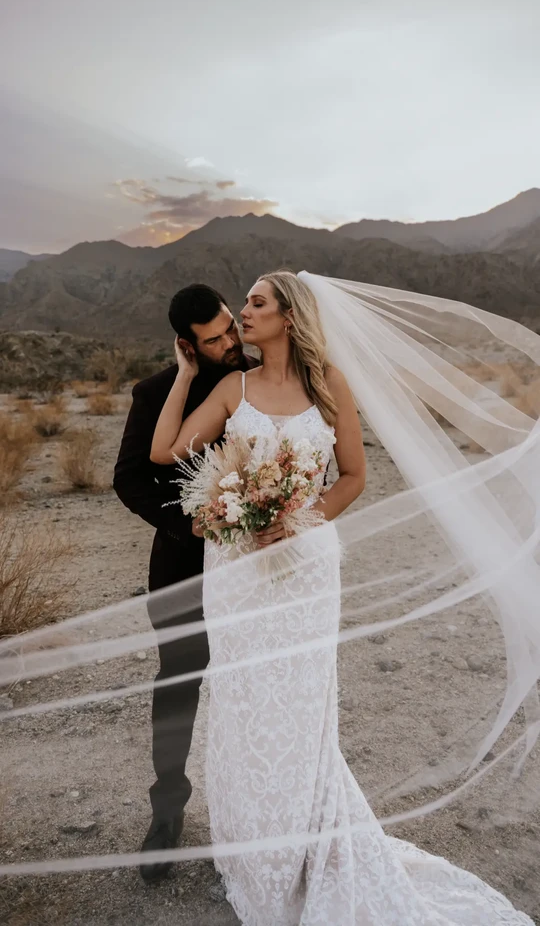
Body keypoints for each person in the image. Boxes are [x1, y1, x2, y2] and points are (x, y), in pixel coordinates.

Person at [150, 270, 534, 925]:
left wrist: (296, 520)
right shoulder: (230, 387)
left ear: (289, 317)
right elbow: (166, 451)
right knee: (243, 704)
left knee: (299, 710)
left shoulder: (330, 384)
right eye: (245, 303)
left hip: (304, 570)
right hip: (237, 574)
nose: (244, 311)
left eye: (257, 303)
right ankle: (254, 855)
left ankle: (307, 849)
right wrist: (187, 375)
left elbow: (353, 476)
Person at [113, 283, 257, 882]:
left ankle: (254, 811)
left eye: (230, 328)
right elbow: (130, 478)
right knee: (177, 689)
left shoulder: (261, 379)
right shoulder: (153, 393)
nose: (229, 343)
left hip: (256, 568)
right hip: (183, 570)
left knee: (255, 683)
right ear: (186, 345)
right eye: (213, 339)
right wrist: (196, 526)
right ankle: (166, 814)